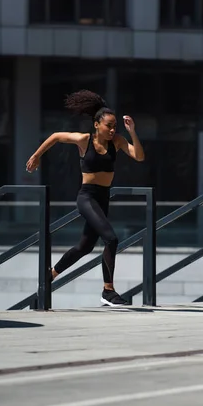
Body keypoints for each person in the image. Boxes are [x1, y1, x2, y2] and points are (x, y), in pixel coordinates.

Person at [26, 90, 145, 307]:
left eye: (115, 126)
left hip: (103, 198)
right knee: (111, 238)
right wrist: (36, 156)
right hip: (87, 197)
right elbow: (55, 137)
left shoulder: (117, 142)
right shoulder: (84, 140)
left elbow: (139, 156)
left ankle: (50, 275)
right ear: (97, 124)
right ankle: (108, 291)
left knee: (85, 246)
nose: (112, 129)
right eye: (108, 125)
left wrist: (132, 132)